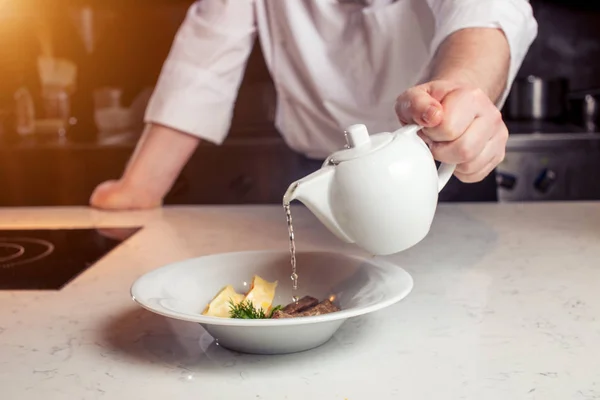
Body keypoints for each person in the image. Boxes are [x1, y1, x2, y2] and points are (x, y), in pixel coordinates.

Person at [90, 0, 538, 210]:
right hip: (315, 174)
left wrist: (459, 95)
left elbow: (483, 13)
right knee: (316, 300)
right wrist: (141, 186)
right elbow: (204, 57)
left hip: (440, 167)